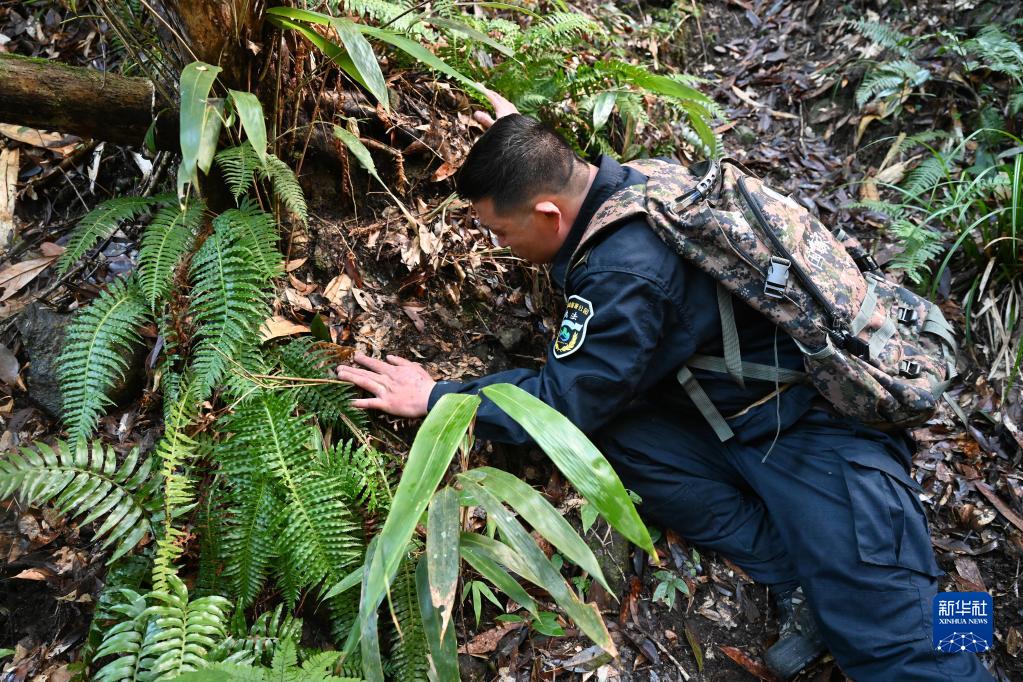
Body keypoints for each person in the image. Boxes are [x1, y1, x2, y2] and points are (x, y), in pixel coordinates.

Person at [335, 90, 994, 681]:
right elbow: (589, 405)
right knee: (618, 441)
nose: (500, 245)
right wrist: (516, 138)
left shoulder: (625, 271)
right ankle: (806, 577)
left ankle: (978, 642)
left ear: (545, 211)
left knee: (896, 641)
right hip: (742, 416)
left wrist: (437, 399)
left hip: (824, 430)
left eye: (501, 232)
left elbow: (562, 402)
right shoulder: (636, 180)